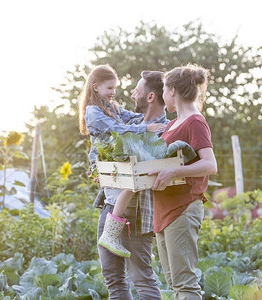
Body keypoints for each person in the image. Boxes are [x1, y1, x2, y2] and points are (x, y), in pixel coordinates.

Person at [87, 69, 169, 299]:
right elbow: (111, 137)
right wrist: (105, 170)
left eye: (137, 90)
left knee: (142, 277)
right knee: (113, 278)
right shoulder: (130, 120)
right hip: (110, 206)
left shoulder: (164, 129)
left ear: (150, 97)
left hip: (137, 212)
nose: (131, 95)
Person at [149, 64, 218, 300]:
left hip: (183, 207)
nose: (163, 96)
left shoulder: (195, 122)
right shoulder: (172, 124)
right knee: (175, 282)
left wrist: (173, 173)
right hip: (165, 209)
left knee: (185, 284)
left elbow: (210, 164)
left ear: (173, 92)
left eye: (164, 90)